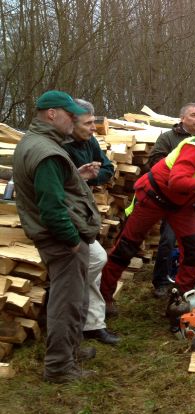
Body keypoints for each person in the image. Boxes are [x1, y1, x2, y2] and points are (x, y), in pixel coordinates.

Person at [100, 113, 195, 314]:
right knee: (126, 247)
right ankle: (103, 298)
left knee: (193, 249)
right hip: (154, 196)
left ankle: (181, 299)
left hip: (182, 203)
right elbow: (176, 181)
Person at [13, 90, 100, 383]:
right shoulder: (47, 152)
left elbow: (52, 188)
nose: (74, 120)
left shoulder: (37, 143)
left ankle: (70, 350)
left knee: (74, 299)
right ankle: (60, 366)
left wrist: (77, 175)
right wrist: (72, 241)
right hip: (62, 241)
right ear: (52, 114)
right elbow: (51, 208)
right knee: (67, 303)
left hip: (61, 239)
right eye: (70, 115)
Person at [62, 98, 119, 345]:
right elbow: (60, 182)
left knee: (92, 268)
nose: (94, 128)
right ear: (72, 122)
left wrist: (93, 177)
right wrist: (80, 175)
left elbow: (108, 168)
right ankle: (68, 308)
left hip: (84, 212)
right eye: (88, 123)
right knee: (95, 260)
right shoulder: (60, 146)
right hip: (67, 215)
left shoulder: (90, 141)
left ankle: (93, 324)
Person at [147, 103, 195, 298]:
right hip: (174, 201)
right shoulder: (168, 138)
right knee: (168, 240)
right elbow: (154, 161)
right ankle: (161, 282)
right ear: (182, 118)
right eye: (193, 115)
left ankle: (187, 282)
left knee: (192, 244)